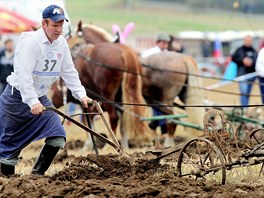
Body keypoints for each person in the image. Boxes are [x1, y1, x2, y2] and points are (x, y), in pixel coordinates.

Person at [0, 4, 93, 177]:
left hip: (40, 98)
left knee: (58, 136)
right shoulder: (31, 42)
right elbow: (23, 75)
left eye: (61, 25)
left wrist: (81, 94)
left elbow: (69, 72)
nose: (58, 30)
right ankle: (8, 185)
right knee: (8, 151)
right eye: (55, 25)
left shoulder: (62, 43)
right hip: (17, 99)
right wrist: (32, 101)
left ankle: (36, 176)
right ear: (44, 24)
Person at [140, 33, 170, 135]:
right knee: (156, 103)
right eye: (163, 43)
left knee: (158, 103)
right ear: (157, 43)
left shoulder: (168, 54)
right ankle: (161, 123)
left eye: (167, 43)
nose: (165, 45)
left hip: (163, 83)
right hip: (151, 83)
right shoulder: (149, 53)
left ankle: (157, 122)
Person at [231, 35, 258, 106]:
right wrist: (242, 61)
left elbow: (257, 62)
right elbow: (233, 58)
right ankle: (244, 108)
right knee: (244, 92)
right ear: (244, 41)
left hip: (251, 75)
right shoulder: (239, 50)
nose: (248, 42)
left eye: (250, 41)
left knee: (247, 93)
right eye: (247, 41)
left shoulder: (254, 51)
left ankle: (245, 107)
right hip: (242, 75)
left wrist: (251, 62)